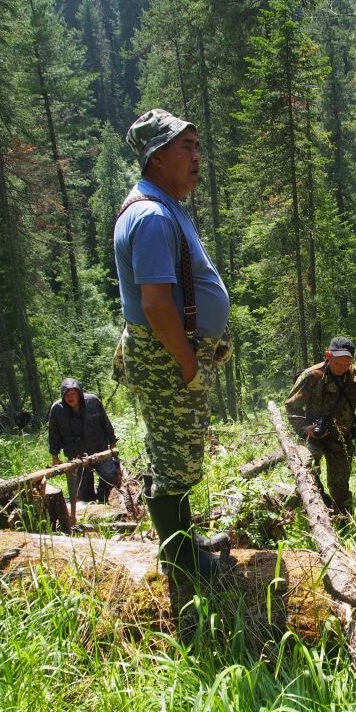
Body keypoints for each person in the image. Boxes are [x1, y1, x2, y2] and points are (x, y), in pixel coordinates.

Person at [112, 109, 232, 583]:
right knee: (175, 457)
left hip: (170, 354)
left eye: (197, 146)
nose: (196, 157)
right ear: (156, 157)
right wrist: (187, 364)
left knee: (175, 451)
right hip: (167, 357)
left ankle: (183, 543)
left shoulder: (163, 204)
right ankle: (181, 563)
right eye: (186, 147)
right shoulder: (152, 216)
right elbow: (157, 303)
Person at [285, 336, 356, 516]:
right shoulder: (313, 376)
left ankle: (344, 521)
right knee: (308, 475)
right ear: (328, 355)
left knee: (340, 486)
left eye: (346, 364)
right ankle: (317, 512)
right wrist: (304, 428)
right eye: (338, 364)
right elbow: (292, 405)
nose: (342, 368)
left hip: (342, 439)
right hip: (314, 437)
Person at [47, 377, 120, 503]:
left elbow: (105, 423)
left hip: (99, 449)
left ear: (79, 393)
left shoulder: (92, 401)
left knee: (110, 475)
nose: (70, 397)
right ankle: (91, 506)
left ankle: (102, 498)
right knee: (84, 494)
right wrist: (55, 456)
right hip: (76, 455)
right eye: (67, 394)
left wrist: (112, 442)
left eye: (73, 393)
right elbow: (54, 434)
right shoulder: (57, 409)